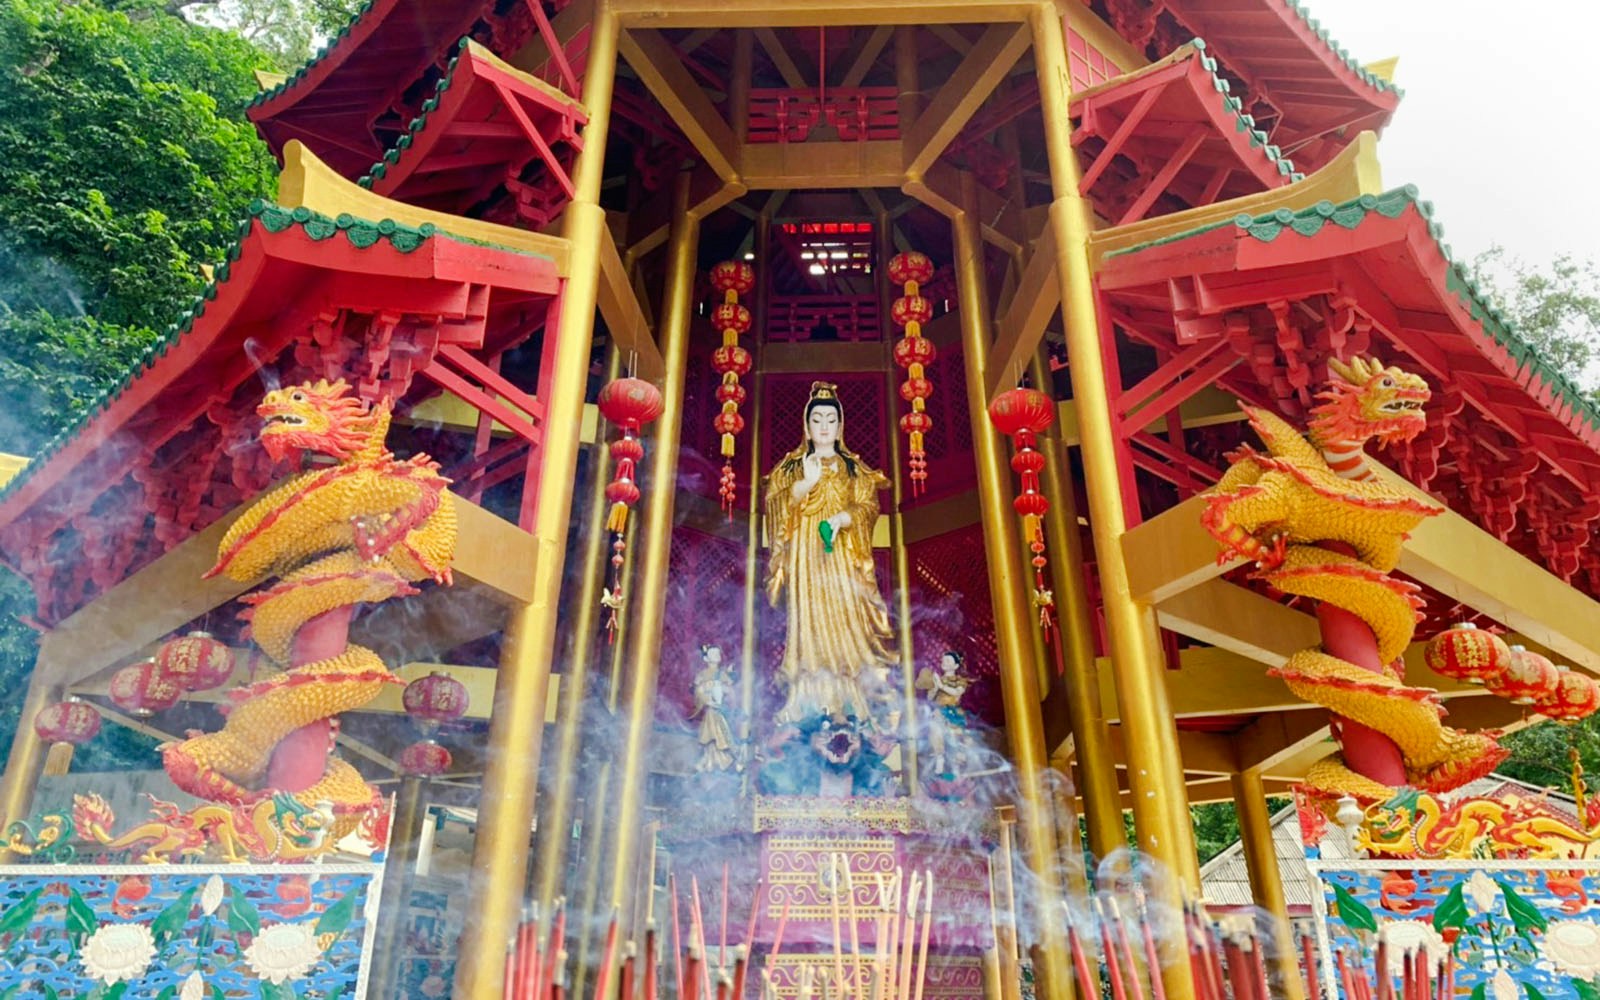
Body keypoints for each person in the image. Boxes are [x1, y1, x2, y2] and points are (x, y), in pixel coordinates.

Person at [764, 382, 897, 724]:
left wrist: (843, 517)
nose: (824, 426)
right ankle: (807, 694)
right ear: (807, 427)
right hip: (806, 553)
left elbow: (868, 506)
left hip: (841, 552)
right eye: (817, 420)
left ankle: (850, 694)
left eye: (830, 420)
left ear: (840, 427)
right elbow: (775, 505)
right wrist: (805, 484)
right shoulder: (791, 467)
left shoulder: (853, 468)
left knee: (845, 614)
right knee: (808, 615)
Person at [915, 650, 972, 777]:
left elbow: (957, 692)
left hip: (953, 712)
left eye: (948, 661)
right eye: (943, 660)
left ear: (956, 666)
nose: (944, 663)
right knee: (936, 731)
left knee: (954, 738)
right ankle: (939, 759)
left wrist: (941, 686)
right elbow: (930, 698)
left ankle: (956, 766)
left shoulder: (960, 680)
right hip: (939, 711)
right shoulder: (938, 680)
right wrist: (934, 687)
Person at [690, 644, 736, 773]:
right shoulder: (702, 675)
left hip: (721, 710)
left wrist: (723, 691)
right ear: (706, 659)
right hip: (711, 709)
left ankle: (715, 761)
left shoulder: (722, 674)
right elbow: (698, 692)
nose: (717, 656)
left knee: (719, 734)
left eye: (718, 653)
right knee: (712, 736)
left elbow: (731, 692)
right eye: (713, 654)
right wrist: (707, 700)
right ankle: (707, 761)